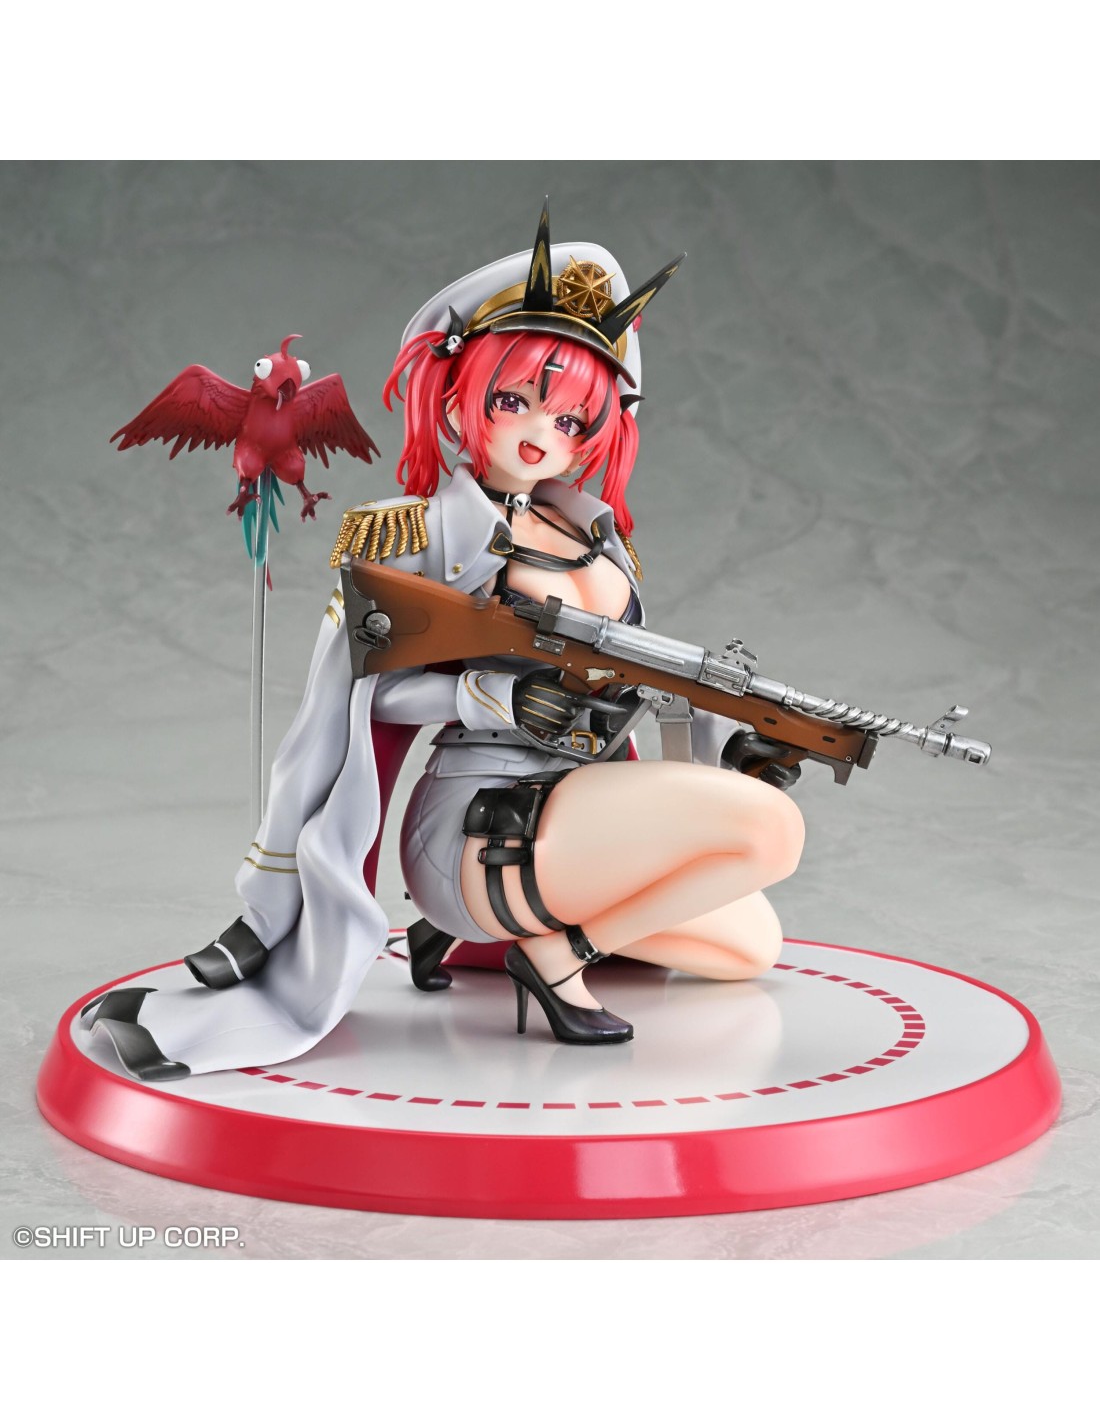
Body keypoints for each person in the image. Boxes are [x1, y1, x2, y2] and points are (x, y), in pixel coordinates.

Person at [82, 201, 804, 1080]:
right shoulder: (415, 533)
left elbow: (630, 691)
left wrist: (735, 754)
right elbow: (356, 699)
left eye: (572, 421)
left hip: (584, 811)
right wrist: (490, 694)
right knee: (770, 833)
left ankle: (506, 940)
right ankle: (552, 958)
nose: (541, 435)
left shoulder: (596, 533)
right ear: (461, 394)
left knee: (749, 943)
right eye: (515, 401)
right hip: (482, 819)